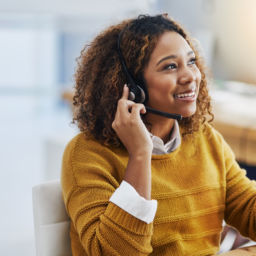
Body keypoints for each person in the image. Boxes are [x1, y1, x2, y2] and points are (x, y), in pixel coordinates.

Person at [61, 14, 256, 255]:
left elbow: (248, 209)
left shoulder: (205, 139)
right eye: (170, 66)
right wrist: (140, 155)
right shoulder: (87, 154)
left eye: (191, 61)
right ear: (132, 87)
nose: (190, 77)